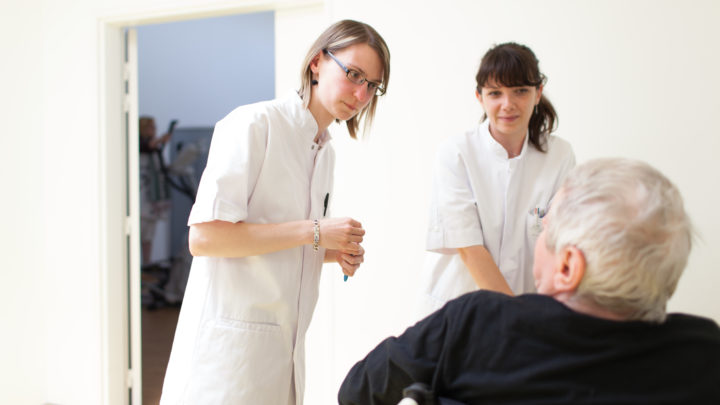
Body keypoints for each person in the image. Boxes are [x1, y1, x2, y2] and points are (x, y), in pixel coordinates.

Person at [339, 158, 720, 404]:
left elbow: (358, 392)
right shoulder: (702, 353)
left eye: (545, 228)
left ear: (568, 266)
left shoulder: (477, 323)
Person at [160, 20, 390, 405]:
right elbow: (204, 237)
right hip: (227, 361)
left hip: (284, 354)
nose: (361, 93)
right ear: (317, 62)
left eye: (372, 85)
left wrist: (331, 251)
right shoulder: (253, 125)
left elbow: (278, 239)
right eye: (353, 74)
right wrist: (315, 231)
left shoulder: (324, 151)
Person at [420, 42, 575, 314]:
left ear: (538, 93)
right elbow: (469, 248)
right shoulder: (456, 154)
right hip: (461, 312)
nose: (508, 104)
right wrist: (516, 317)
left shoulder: (559, 156)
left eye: (520, 91)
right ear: (480, 97)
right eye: (495, 93)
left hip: (530, 310)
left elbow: (561, 241)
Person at [139, 116, 172, 266]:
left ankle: (147, 264)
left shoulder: (155, 150)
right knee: (140, 233)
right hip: (141, 199)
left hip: (153, 201)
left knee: (149, 236)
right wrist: (160, 140)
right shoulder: (138, 145)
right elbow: (148, 146)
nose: (154, 130)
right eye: (151, 127)